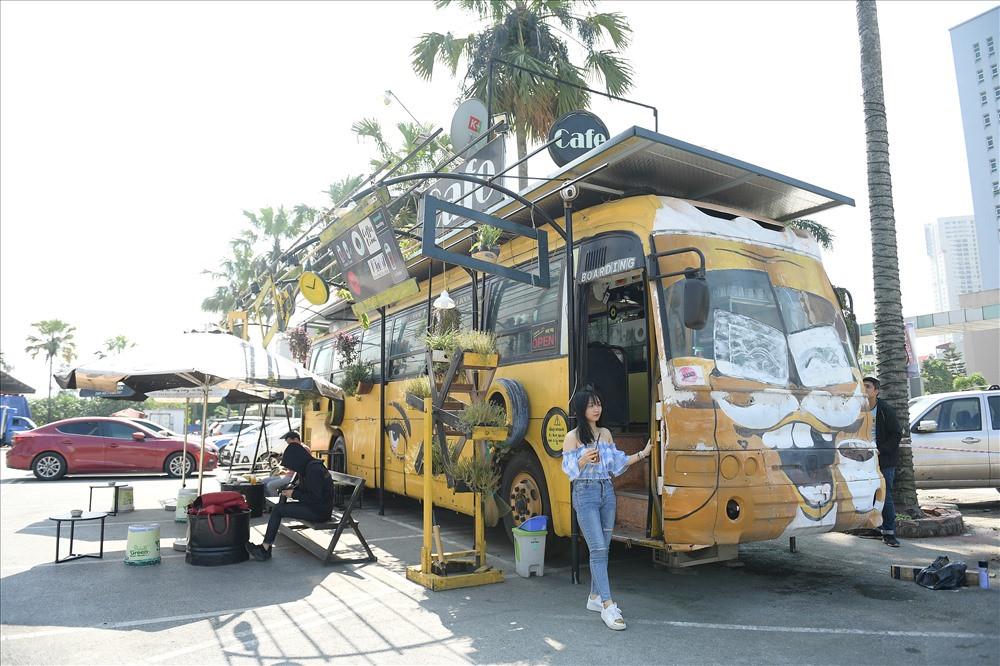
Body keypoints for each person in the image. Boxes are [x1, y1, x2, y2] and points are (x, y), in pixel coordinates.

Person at [562, 387, 651, 631]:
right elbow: (569, 472)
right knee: (598, 548)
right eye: (591, 405)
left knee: (603, 549)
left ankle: (594, 598)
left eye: (598, 404)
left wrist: (644, 453)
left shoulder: (606, 434)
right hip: (585, 493)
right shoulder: (572, 437)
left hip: (606, 492)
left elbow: (618, 464)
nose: (596, 408)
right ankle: (608, 606)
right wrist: (582, 460)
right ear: (582, 409)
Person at [246, 431, 334, 561]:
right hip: (317, 507)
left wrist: (293, 493)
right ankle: (266, 546)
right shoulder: (309, 467)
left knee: (278, 510)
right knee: (279, 508)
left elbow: (314, 497)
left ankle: (264, 549)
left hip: (320, 511)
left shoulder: (314, 470)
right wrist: (293, 489)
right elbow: (310, 491)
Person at [859, 377, 903, 548]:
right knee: (871, 494)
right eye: (862, 387)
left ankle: (889, 533)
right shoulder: (859, 409)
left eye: (868, 387)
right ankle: (876, 528)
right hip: (864, 460)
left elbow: (896, 434)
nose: (864, 390)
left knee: (886, 495)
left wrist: (881, 450)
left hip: (884, 459)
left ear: (876, 391)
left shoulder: (885, 409)